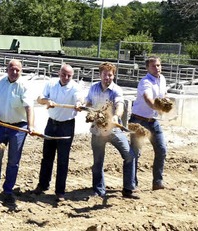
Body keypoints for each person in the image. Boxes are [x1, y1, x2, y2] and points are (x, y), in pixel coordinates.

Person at [0, 59, 35, 207]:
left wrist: (30, 125)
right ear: (7, 69)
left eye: (17, 70)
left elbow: (29, 108)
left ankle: (8, 190)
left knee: (13, 160)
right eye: (12, 69)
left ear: (21, 71)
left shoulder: (24, 86)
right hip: (0, 125)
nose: (15, 72)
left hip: (18, 128)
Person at [85, 62, 139, 199]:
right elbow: (88, 102)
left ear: (113, 76)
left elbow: (119, 104)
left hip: (114, 129)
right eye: (105, 74)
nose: (107, 77)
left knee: (129, 155)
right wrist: (82, 105)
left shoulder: (116, 90)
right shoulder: (93, 88)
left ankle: (128, 188)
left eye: (110, 75)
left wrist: (116, 116)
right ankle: (98, 190)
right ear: (100, 75)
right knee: (98, 161)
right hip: (97, 130)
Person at [33, 64, 82, 202]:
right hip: (51, 124)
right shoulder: (51, 84)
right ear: (59, 73)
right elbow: (40, 99)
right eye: (63, 74)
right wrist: (47, 101)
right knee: (47, 157)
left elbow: (79, 98)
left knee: (63, 160)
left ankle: (60, 191)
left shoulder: (75, 87)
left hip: (66, 125)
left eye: (69, 75)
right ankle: (42, 185)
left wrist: (79, 104)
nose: (66, 78)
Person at [129, 56, 168, 191]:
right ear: (147, 68)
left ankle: (157, 182)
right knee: (135, 153)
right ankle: (132, 184)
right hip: (138, 121)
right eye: (153, 66)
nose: (157, 68)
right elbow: (148, 99)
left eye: (158, 65)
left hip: (152, 121)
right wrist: (160, 108)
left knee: (162, 149)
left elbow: (163, 95)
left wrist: (166, 102)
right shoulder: (145, 82)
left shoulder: (162, 79)